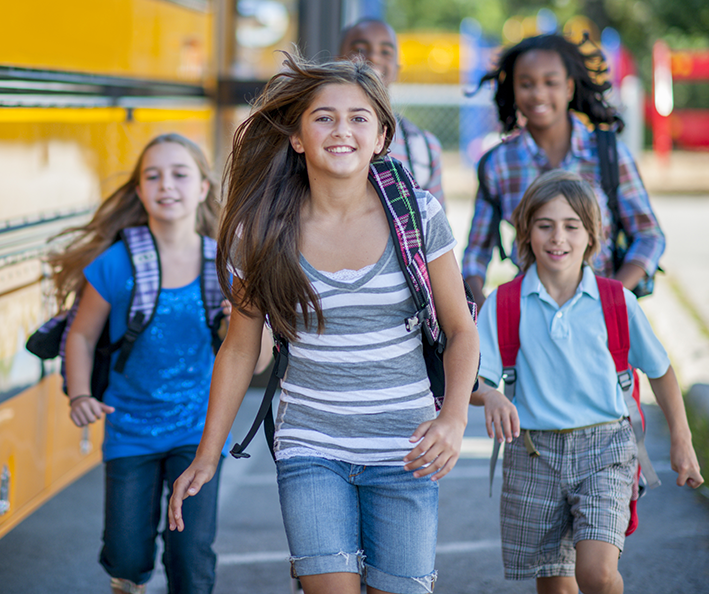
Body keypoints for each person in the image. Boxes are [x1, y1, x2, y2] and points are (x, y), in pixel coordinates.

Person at [168, 54, 479, 594]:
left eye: (360, 118)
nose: (343, 130)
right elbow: (240, 350)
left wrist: (452, 419)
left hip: (406, 449)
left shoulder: (418, 216)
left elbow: (461, 329)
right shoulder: (262, 231)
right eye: (324, 117)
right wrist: (207, 454)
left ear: (382, 136)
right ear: (297, 137)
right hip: (311, 447)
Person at [470, 169, 702, 594]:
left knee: (595, 573)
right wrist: (491, 397)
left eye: (571, 226)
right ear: (526, 234)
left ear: (591, 237)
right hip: (533, 453)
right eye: (545, 225)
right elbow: (473, 381)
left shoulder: (617, 301)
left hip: (606, 449)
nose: (558, 237)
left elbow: (660, 369)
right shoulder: (505, 303)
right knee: (555, 584)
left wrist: (682, 441)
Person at [57, 132, 226, 594]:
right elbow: (82, 335)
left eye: (179, 174)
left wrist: (237, 324)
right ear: (139, 192)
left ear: (204, 188)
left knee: (190, 555)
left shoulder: (225, 265)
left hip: (198, 431)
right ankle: (127, 582)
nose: (166, 184)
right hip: (129, 429)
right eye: (152, 176)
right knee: (127, 554)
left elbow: (252, 361)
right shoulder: (118, 263)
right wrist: (80, 394)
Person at [462, 34, 664, 308]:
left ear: (569, 88)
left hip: (601, 321)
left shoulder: (607, 154)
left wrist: (610, 298)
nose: (538, 93)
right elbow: (475, 255)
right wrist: (485, 313)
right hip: (529, 320)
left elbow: (648, 234)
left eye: (551, 82)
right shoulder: (498, 164)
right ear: (513, 89)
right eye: (526, 84)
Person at [339, 18, 446, 209]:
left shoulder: (424, 148)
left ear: (397, 69)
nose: (374, 57)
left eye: (386, 52)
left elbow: (436, 228)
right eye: (360, 49)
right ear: (337, 60)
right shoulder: (318, 135)